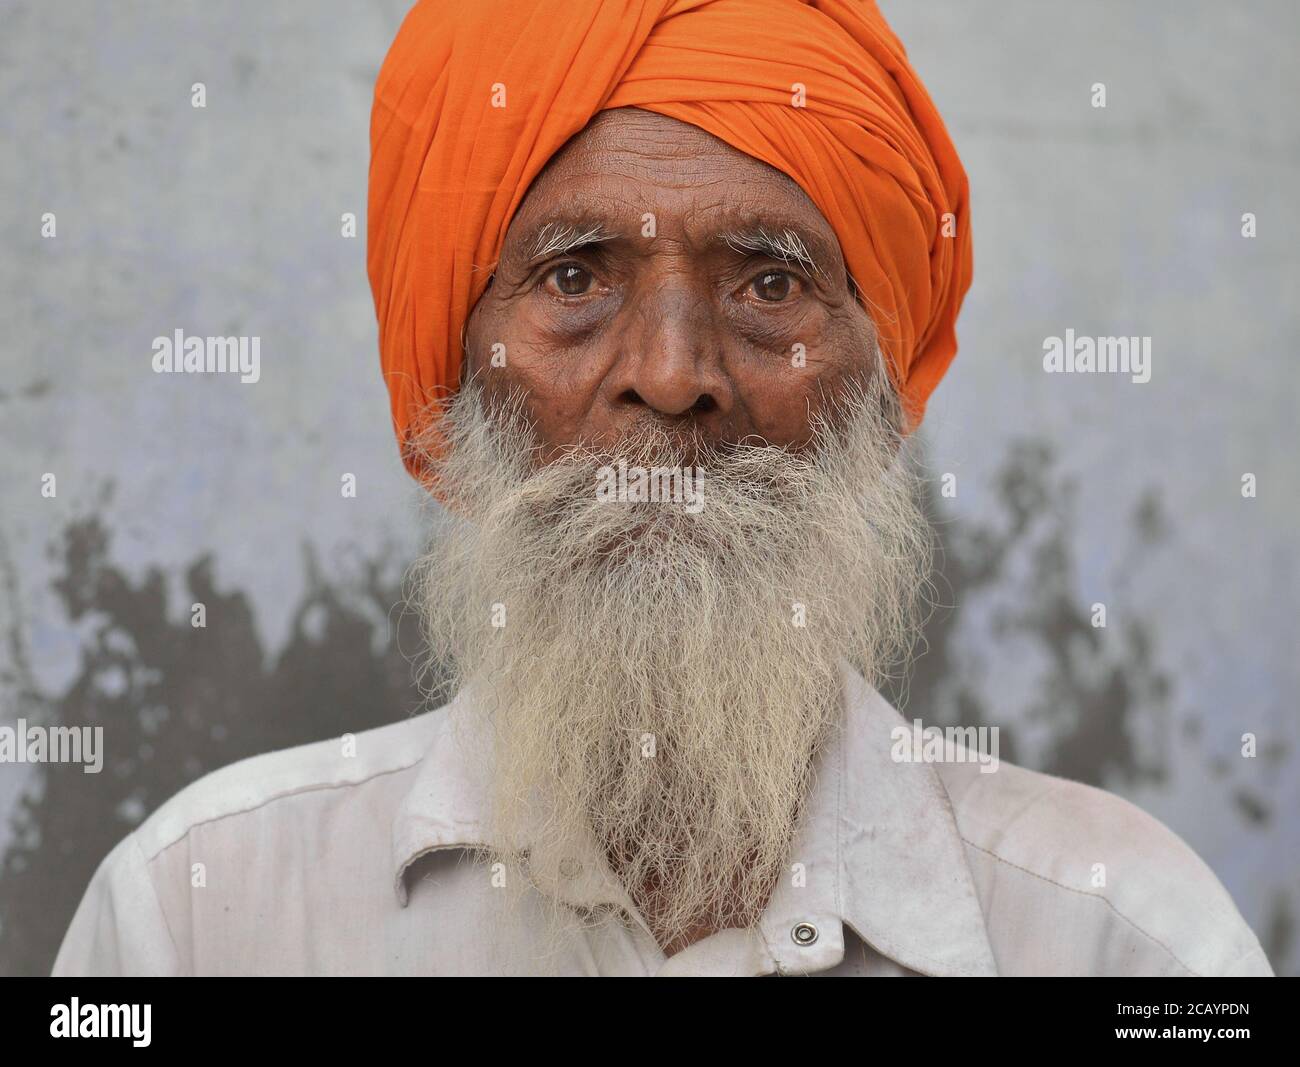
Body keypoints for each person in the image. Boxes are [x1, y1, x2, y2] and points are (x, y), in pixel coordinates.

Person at [52, 0, 1271, 976]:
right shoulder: (200, 917)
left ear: (879, 392)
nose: (672, 375)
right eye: (576, 277)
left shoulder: (1124, 933)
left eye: (771, 286)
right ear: (458, 376)